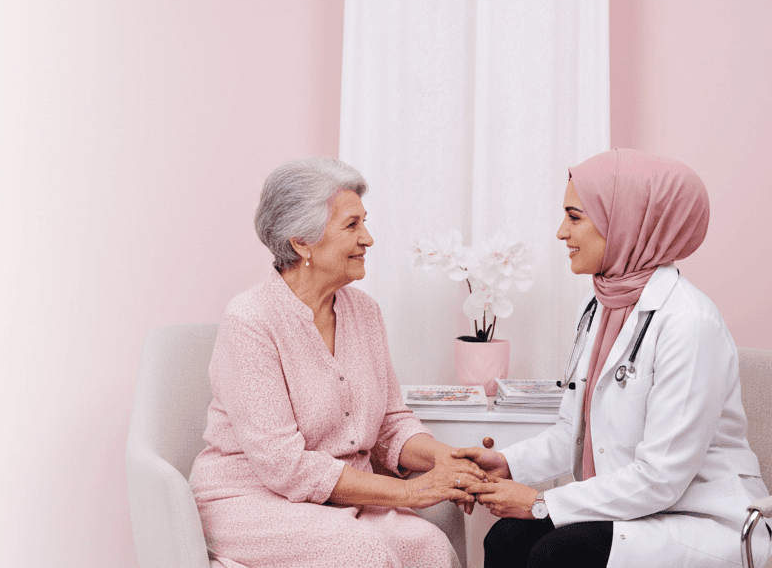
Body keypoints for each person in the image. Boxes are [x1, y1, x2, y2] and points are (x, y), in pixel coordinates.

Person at [454, 148, 772, 568]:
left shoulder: (690, 323)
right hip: (637, 509)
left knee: (557, 553)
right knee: (505, 538)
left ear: (625, 221)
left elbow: (661, 479)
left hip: (699, 516)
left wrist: (540, 502)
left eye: (574, 217)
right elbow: (574, 433)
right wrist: (508, 463)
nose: (561, 232)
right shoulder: (600, 308)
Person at [189, 157, 485, 568]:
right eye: (351, 225)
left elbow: (390, 424)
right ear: (301, 242)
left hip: (339, 497)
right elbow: (285, 465)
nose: (368, 238)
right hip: (250, 497)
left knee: (429, 548)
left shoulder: (364, 311)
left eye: (364, 222)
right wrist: (410, 493)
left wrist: (448, 460)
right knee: (361, 553)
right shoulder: (250, 321)